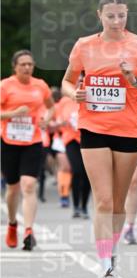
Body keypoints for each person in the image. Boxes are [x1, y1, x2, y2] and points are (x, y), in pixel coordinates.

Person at [61, 0, 137, 278]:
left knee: (118, 203)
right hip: (93, 127)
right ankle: (106, 266)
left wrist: (134, 81)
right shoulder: (84, 46)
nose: (116, 21)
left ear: (127, 14)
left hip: (129, 129)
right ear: (99, 16)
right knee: (103, 200)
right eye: (110, 16)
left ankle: (111, 251)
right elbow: (67, 81)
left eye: (121, 15)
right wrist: (72, 93)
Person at [1, 49, 54, 250]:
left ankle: (29, 231)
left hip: (32, 141)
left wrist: (47, 119)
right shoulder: (5, 86)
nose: (27, 67)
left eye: (30, 64)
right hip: (9, 142)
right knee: (13, 188)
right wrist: (14, 113)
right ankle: (13, 223)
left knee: (29, 185)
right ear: (15, 67)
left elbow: (51, 107)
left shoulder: (40, 86)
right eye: (22, 64)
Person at [52, 89, 91, 218]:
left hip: (88, 139)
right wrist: (60, 123)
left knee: (87, 174)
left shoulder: (91, 97)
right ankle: (76, 206)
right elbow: (57, 120)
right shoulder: (65, 101)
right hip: (71, 140)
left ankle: (84, 206)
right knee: (77, 171)